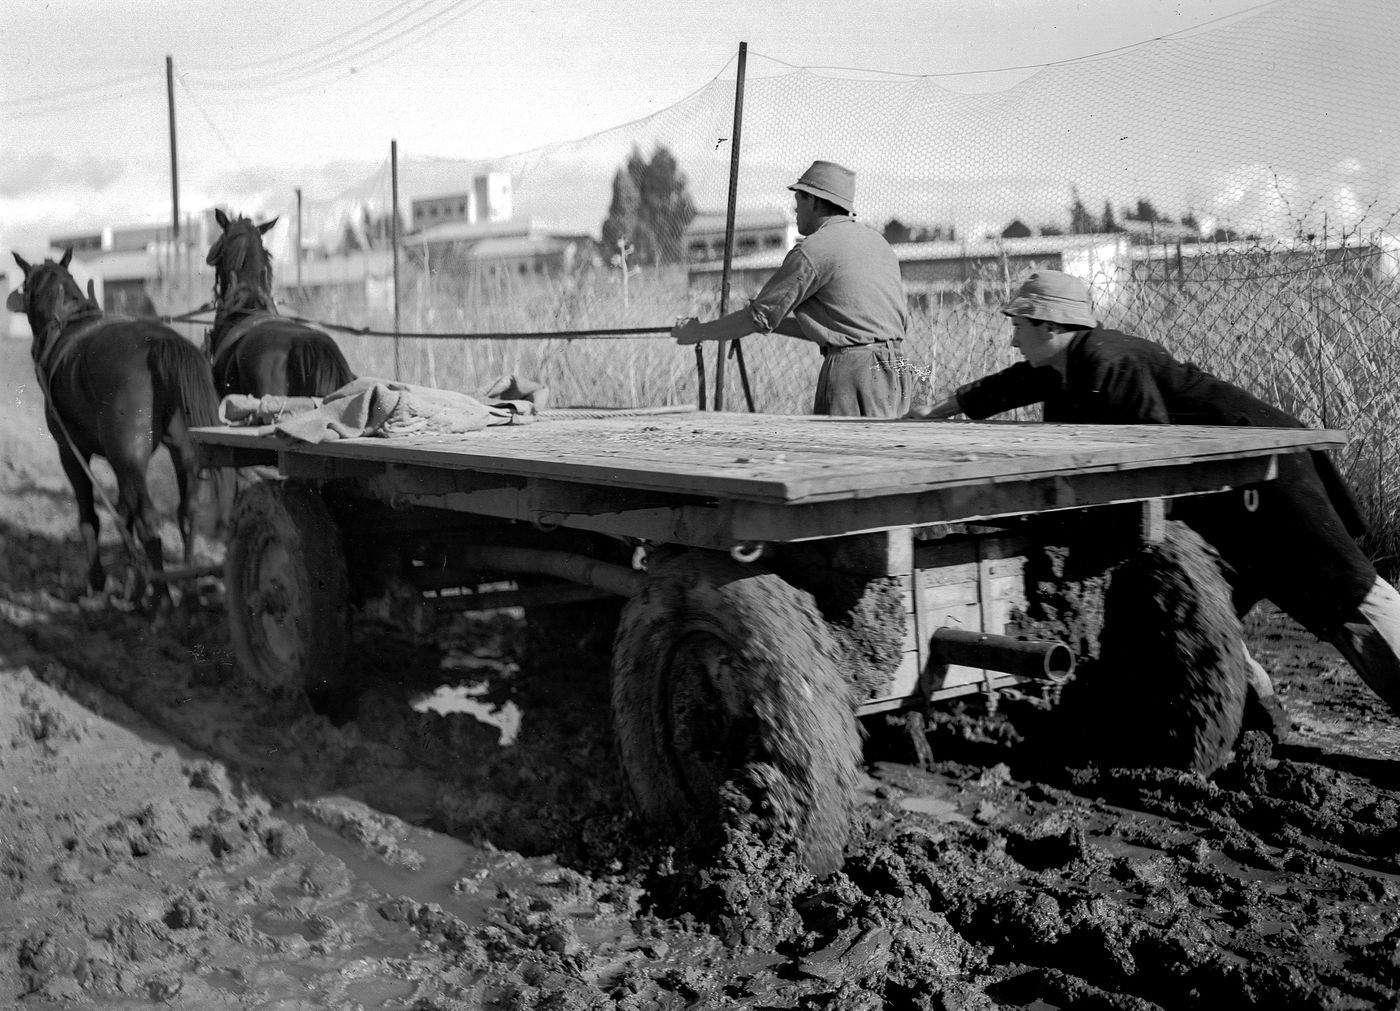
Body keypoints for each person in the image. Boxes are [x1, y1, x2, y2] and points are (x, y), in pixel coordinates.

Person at [911, 268, 1400, 734]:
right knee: (1200, 615)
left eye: (1019, 327)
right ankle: (1254, 710)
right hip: (1220, 495)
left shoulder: (1108, 360)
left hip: (1267, 478)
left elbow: (1153, 460)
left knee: (1350, 598)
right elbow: (1002, 387)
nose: (1013, 339)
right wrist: (930, 415)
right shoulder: (1065, 361)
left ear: (1051, 324)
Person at [672, 160, 912, 418]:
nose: (794, 206)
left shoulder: (814, 249)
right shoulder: (877, 242)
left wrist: (698, 332)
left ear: (815, 201)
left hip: (853, 374)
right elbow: (847, 329)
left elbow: (757, 318)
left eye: (799, 197)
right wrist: (775, 324)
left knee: (841, 455)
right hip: (896, 370)